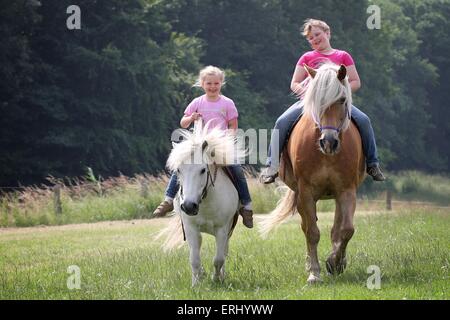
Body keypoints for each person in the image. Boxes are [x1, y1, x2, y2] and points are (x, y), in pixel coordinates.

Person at [260, 19, 386, 184]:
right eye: (310, 38)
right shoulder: (307, 57)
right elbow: (294, 83)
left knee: (364, 120)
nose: (314, 39)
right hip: (310, 103)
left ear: (328, 33)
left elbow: (355, 81)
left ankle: (373, 164)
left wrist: (340, 93)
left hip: (337, 103)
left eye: (317, 34)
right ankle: (272, 166)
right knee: (281, 121)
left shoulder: (343, 56)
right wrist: (312, 94)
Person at [153, 66, 254, 228]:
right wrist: (191, 117)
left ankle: (246, 206)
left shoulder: (227, 103)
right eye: (209, 83)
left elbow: (233, 125)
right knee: (182, 167)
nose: (212, 87)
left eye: (216, 83)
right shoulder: (197, 102)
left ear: (221, 83)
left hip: (220, 146)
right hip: (199, 145)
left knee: (236, 169)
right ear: (202, 84)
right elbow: (183, 123)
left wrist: (226, 141)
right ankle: (168, 200)